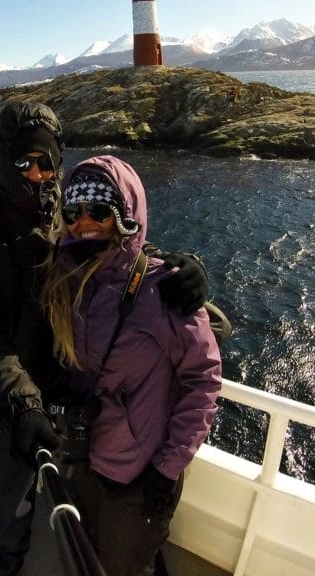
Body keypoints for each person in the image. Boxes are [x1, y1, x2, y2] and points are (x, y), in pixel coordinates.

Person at [0, 101, 211, 576]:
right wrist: (21, 407)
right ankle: (4, 568)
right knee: (9, 502)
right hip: (10, 404)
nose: (41, 175)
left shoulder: (68, 208)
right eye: (26, 162)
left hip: (76, 397)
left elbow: (121, 251)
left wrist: (187, 273)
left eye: (49, 162)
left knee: (88, 501)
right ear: (4, 160)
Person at [42, 155, 222, 576]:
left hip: (139, 474)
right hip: (83, 455)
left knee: (125, 563)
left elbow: (204, 380)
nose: (85, 221)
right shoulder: (63, 277)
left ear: (125, 213)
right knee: (89, 550)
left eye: (100, 210)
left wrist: (169, 466)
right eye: (73, 211)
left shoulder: (165, 289)